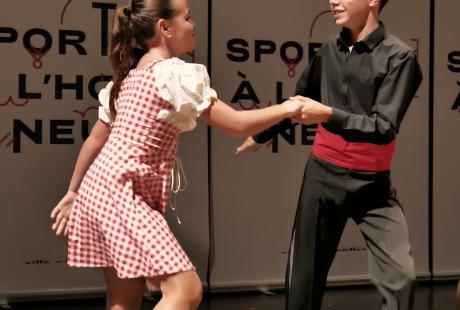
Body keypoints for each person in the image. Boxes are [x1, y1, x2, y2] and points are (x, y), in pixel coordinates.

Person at [50, 0, 309, 309]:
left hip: (100, 189)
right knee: (186, 290)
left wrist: (73, 190)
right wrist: (290, 107)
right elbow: (237, 124)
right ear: (165, 28)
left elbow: (95, 140)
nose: (193, 24)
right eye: (188, 17)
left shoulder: (129, 77)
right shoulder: (173, 73)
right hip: (121, 191)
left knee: (124, 298)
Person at [236, 0, 423, 309]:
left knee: (401, 278)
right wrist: (263, 134)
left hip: (373, 185)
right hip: (322, 178)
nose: (333, 1)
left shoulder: (399, 56)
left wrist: (327, 114)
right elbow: (300, 101)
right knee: (303, 284)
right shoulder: (328, 50)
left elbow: (384, 126)